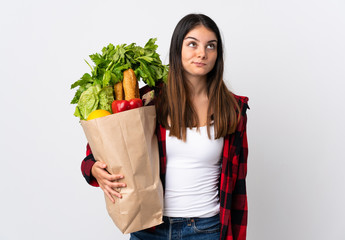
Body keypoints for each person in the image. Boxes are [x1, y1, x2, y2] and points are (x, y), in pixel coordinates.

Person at [81, 13, 249, 240]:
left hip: (206, 229)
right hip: (149, 228)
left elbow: (237, 184)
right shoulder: (152, 99)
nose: (202, 53)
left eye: (211, 46)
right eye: (192, 44)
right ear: (177, 48)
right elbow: (106, 140)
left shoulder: (233, 108)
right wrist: (92, 168)